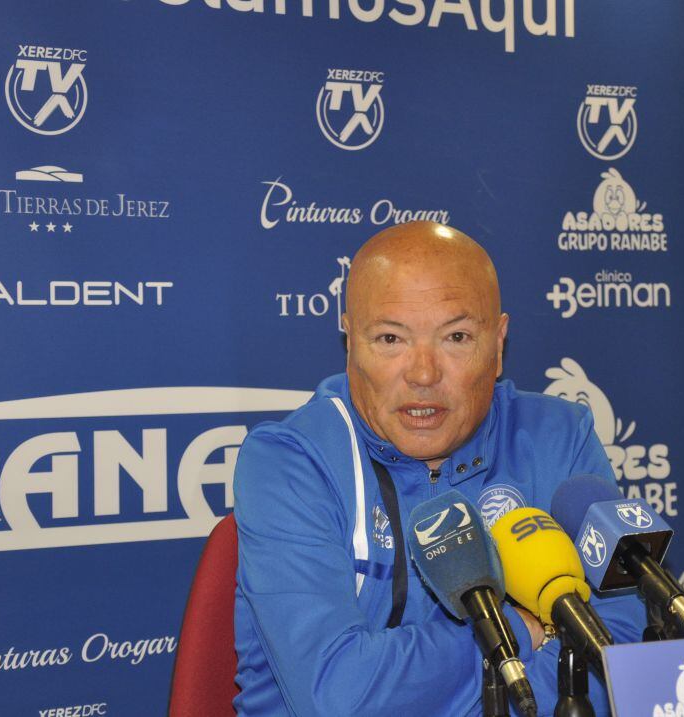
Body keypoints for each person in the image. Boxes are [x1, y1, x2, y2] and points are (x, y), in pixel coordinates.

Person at [233, 222, 644, 716]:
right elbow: (339, 694)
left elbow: (617, 648)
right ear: (350, 344)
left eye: (456, 336)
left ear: (497, 344)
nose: (423, 373)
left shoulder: (559, 437)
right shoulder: (291, 461)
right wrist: (517, 633)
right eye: (390, 338)